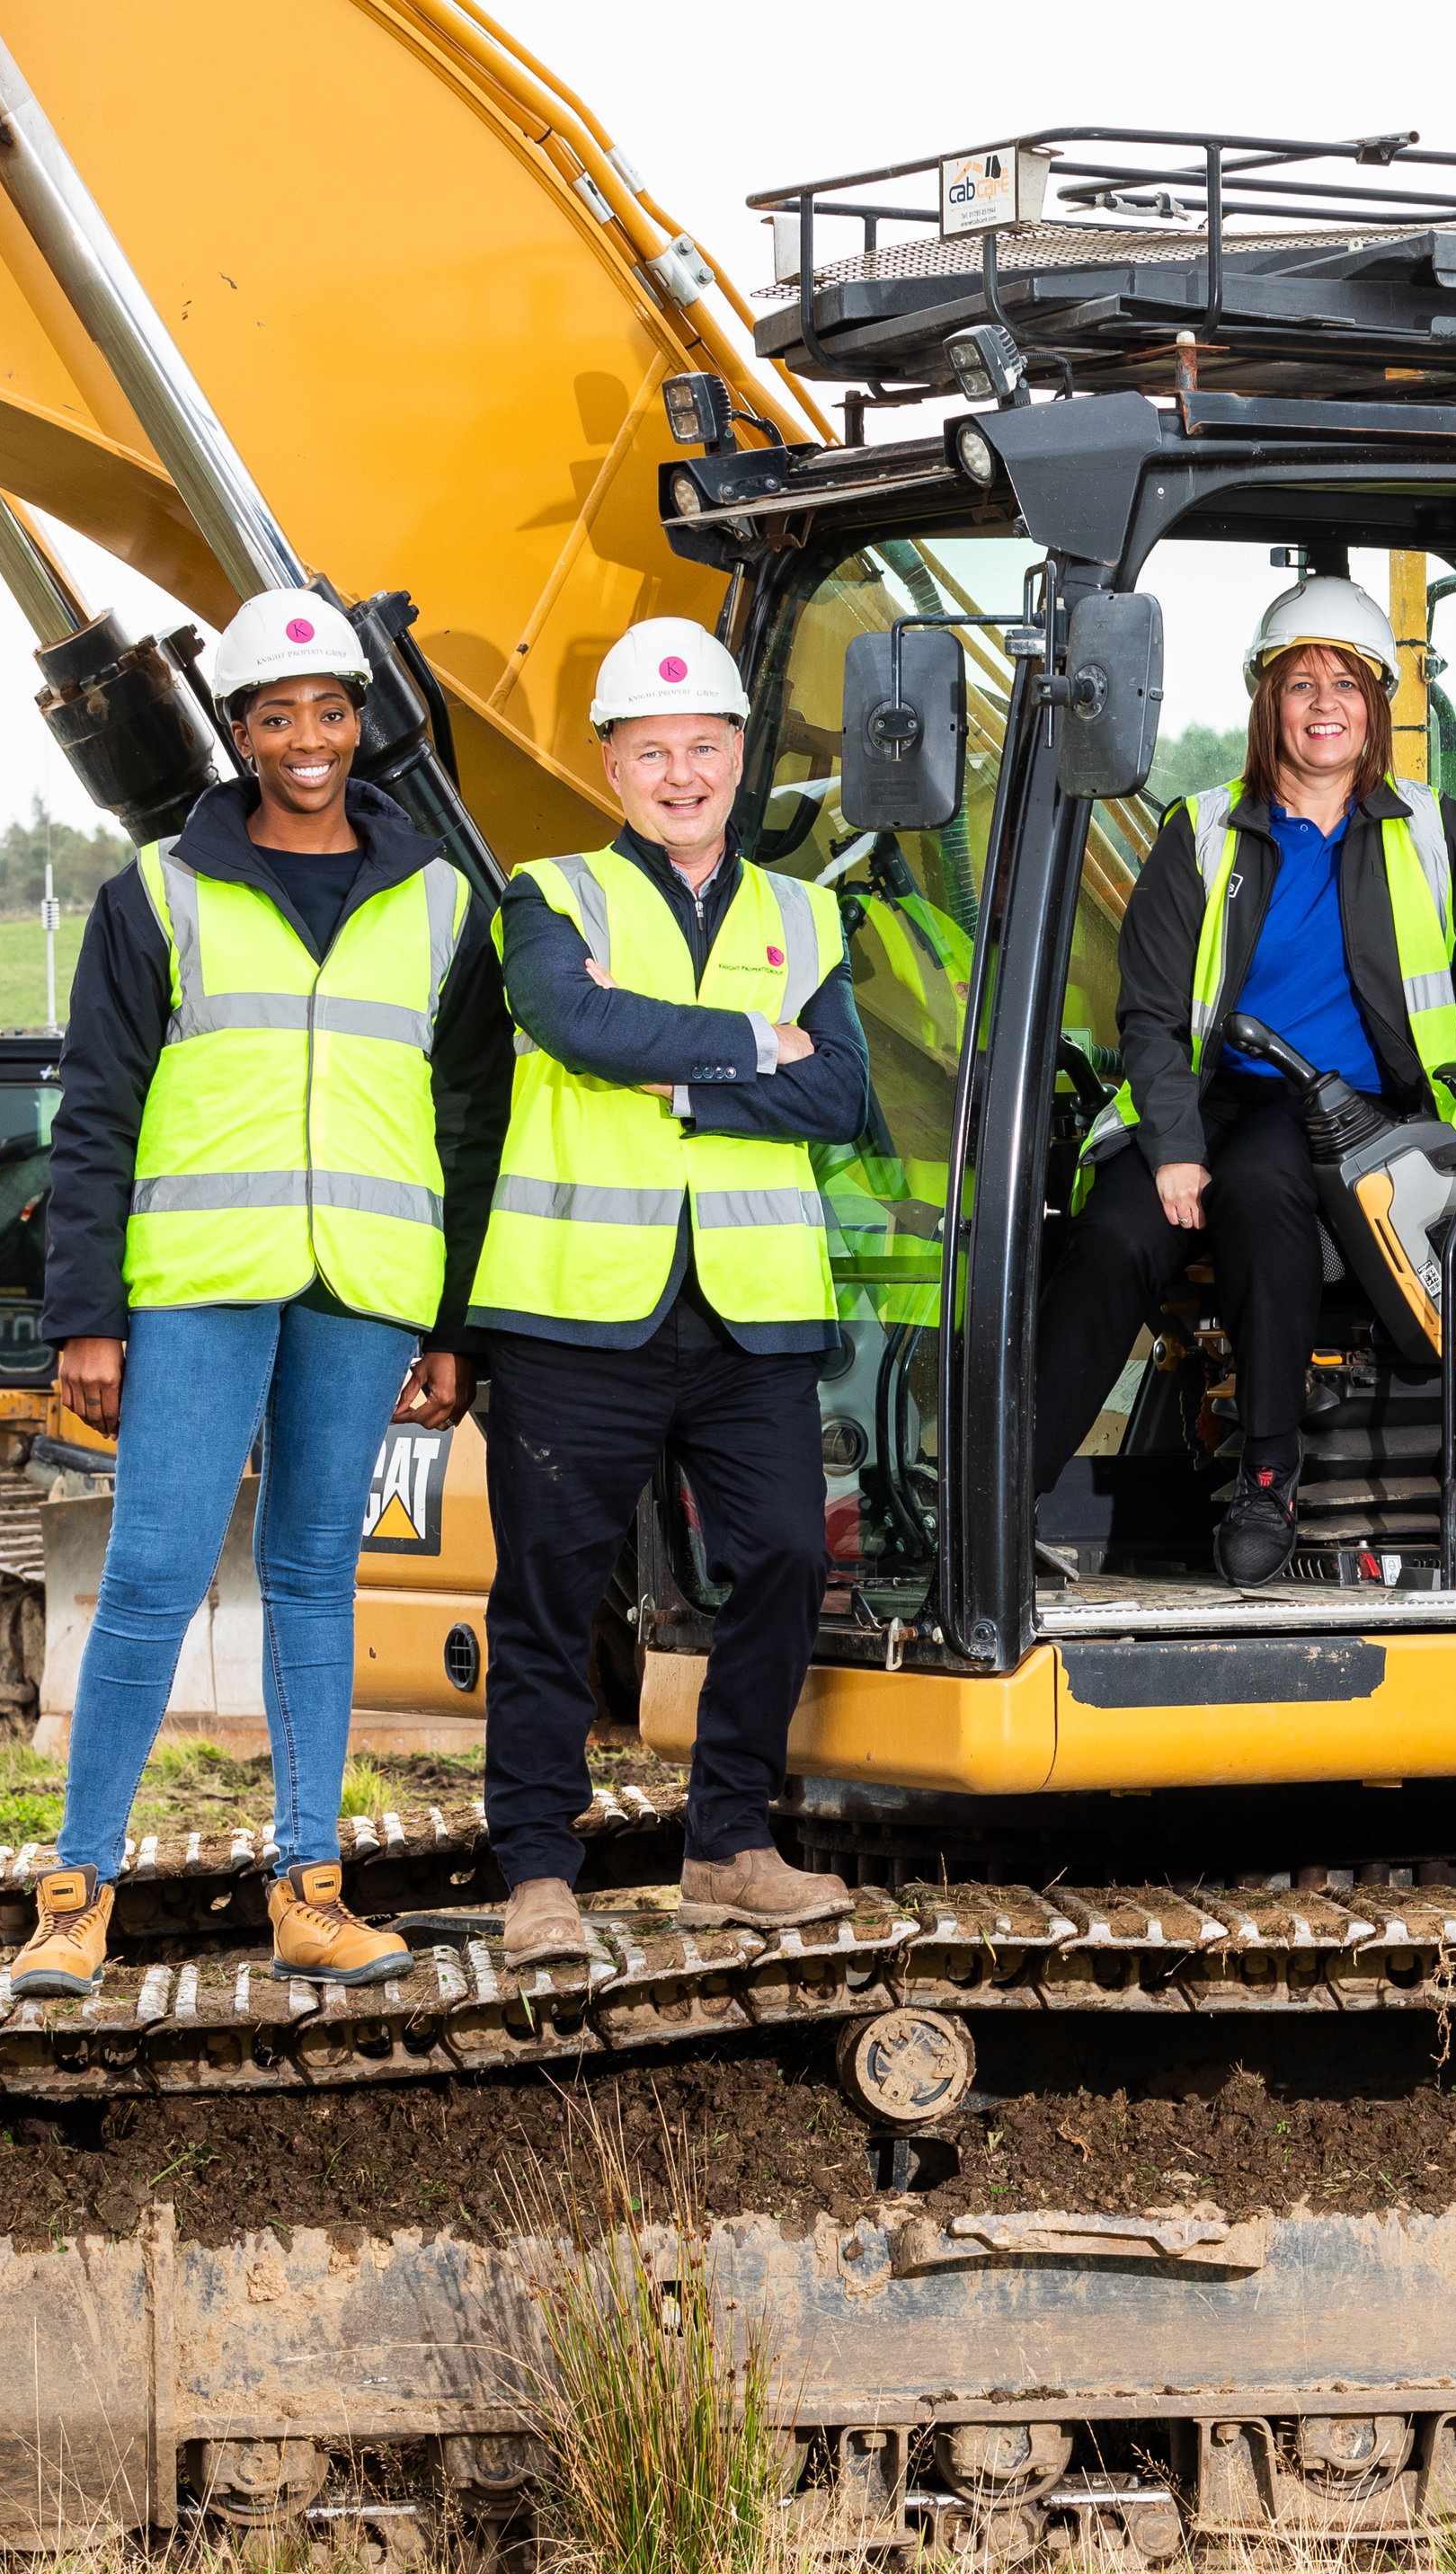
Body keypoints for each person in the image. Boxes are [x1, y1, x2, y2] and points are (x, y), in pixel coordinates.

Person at [10, 588, 504, 1999]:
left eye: (330, 712)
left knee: (312, 1580)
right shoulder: (156, 894)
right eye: (276, 715)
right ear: (235, 733)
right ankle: (73, 1897)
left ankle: (310, 1890)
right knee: (155, 1576)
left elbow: (468, 1111)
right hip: (201, 1285)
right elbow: (93, 1110)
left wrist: (450, 1317)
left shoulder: (438, 901)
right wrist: (87, 1317)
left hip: (363, 1288)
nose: (307, 738)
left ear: (361, 724)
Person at [1035, 574, 1456, 1583]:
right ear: (1269, 701)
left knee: (1266, 1195)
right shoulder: (1203, 829)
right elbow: (1149, 1013)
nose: (1323, 705)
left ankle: (1267, 1480)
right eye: (1301, 683)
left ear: (1375, 707)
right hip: (1199, 1093)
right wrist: (1174, 1151)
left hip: (1336, 1116)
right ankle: (1009, 1490)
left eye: (1345, 685)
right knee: (1113, 1237)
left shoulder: (1428, 830)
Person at [462, 617, 871, 1958]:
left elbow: (844, 1093)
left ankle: (729, 1840)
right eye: (654, 751)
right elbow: (577, 1025)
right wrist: (760, 1038)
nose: (682, 774)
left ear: (740, 756)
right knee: (551, 1587)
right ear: (612, 764)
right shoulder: (553, 894)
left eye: (704, 747)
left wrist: (683, 1080)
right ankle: (535, 1874)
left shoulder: (802, 913)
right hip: (579, 1311)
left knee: (789, 1561)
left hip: (749, 1312)